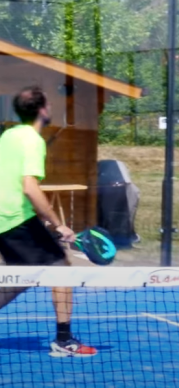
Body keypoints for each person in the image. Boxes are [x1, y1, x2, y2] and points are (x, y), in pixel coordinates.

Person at [0, 87, 97, 357]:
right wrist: (58, 225)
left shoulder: (8, 134)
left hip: (8, 219)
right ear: (43, 110)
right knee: (61, 269)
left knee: (21, 277)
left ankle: (64, 339)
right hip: (13, 219)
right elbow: (30, 187)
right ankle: (64, 341)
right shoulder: (32, 140)